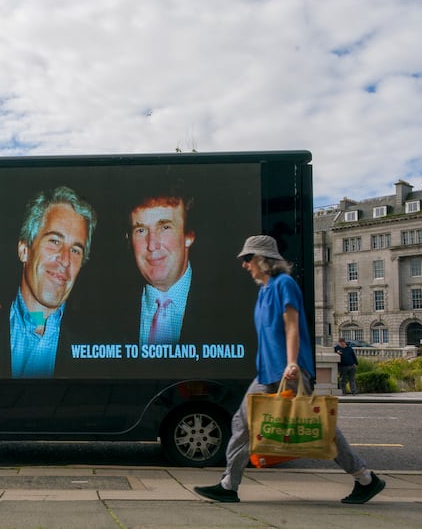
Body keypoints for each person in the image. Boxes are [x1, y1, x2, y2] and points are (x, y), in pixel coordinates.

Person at [193, 235, 386, 504]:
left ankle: (365, 478)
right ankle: (229, 484)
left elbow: (292, 325)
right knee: (243, 422)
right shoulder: (264, 290)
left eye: (248, 258)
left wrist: (292, 362)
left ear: (263, 259)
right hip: (268, 372)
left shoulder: (284, 284)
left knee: (320, 428)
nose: (244, 265)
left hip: (288, 370)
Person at [0, 186, 97, 378]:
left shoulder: (100, 343)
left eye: (76, 250)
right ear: (24, 250)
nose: (66, 260)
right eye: (54, 241)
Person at [125, 180, 199, 345]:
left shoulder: (236, 308)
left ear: (189, 236)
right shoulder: (104, 312)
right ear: (129, 241)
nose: (152, 245)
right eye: (141, 230)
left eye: (165, 227)